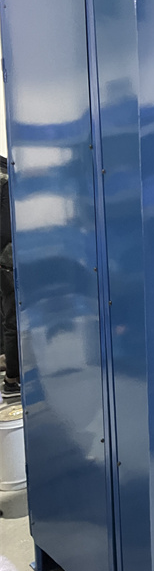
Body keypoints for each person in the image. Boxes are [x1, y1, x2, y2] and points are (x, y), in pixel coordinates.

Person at [0, 157, 20, 399]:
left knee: (9, 317)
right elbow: (6, 230)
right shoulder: (6, 176)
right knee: (15, 320)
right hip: (10, 260)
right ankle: (12, 381)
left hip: (4, 262)